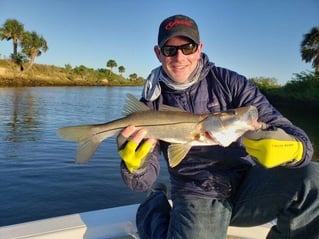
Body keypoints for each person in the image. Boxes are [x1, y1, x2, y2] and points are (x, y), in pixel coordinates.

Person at [116, 14, 319, 238]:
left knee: (313, 178)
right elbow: (141, 182)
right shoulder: (152, 104)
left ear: (200, 48)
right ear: (158, 53)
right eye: (170, 49)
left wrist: (295, 148)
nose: (179, 57)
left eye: (188, 47)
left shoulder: (231, 82)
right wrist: (135, 167)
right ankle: (153, 206)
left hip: (247, 183)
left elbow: (286, 128)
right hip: (197, 192)